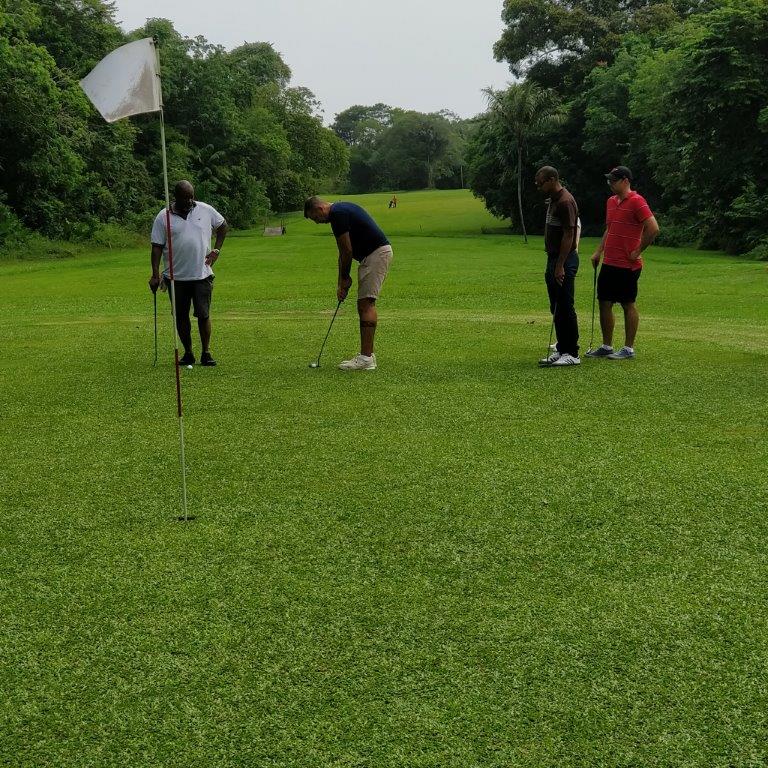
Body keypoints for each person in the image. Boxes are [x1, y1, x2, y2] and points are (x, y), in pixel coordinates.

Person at [304, 196, 393, 370]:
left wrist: (345, 278)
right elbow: (342, 253)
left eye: (315, 218)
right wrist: (341, 281)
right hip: (373, 255)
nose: (317, 222)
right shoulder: (340, 210)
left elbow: (346, 250)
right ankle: (367, 356)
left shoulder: (338, 214)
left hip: (376, 255)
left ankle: (366, 358)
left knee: (366, 304)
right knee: (364, 304)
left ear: (319, 209)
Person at [149, 181, 228, 367]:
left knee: (203, 315)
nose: (190, 200)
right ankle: (188, 353)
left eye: (192, 196)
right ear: (176, 197)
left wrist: (216, 250)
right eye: (186, 197)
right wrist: (154, 274)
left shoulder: (205, 210)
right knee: (181, 316)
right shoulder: (163, 217)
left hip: (202, 274)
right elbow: (156, 247)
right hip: (176, 278)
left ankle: (206, 352)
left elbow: (223, 226)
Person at [588, 166, 659, 360]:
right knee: (604, 302)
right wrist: (598, 251)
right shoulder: (611, 202)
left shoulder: (637, 201)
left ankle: (628, 348)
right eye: (609, 180)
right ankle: (607, 345)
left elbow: (653, 228)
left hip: (628, 265)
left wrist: (637, 251)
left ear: (625, 180)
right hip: (610, 262)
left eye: (614, 180)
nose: (610, 183)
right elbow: (609, 229)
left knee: (627, 303)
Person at [534, 166, 582, 366]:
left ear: (552, 179)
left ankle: (572, 353)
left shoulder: (565, 201)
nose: (539, 187)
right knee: (556, 306)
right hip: (553, 258)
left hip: (564, 260)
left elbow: (569, 234)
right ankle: (562, 348)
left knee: (565, 305)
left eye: (541, 182)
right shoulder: (554, 200)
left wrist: (560, 265)